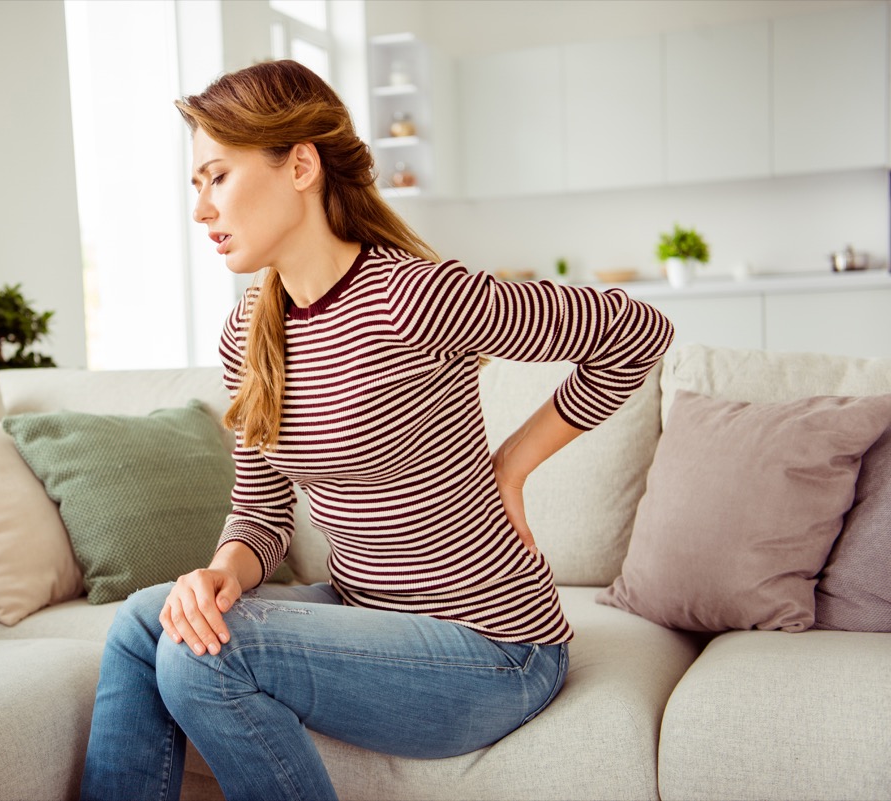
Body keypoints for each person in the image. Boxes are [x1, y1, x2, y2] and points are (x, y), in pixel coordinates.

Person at [80, 59, 672, 801]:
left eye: (218, 176)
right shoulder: (246, 335)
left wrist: (512, 464)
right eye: (194, 185)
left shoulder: (413, 298)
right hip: (370, 620)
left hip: (495, 649)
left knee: (205, 657)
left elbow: (637, 332)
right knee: (147, 622)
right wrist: (220, 576)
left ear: (300, 165)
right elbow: (262, 510)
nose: (201, 210)